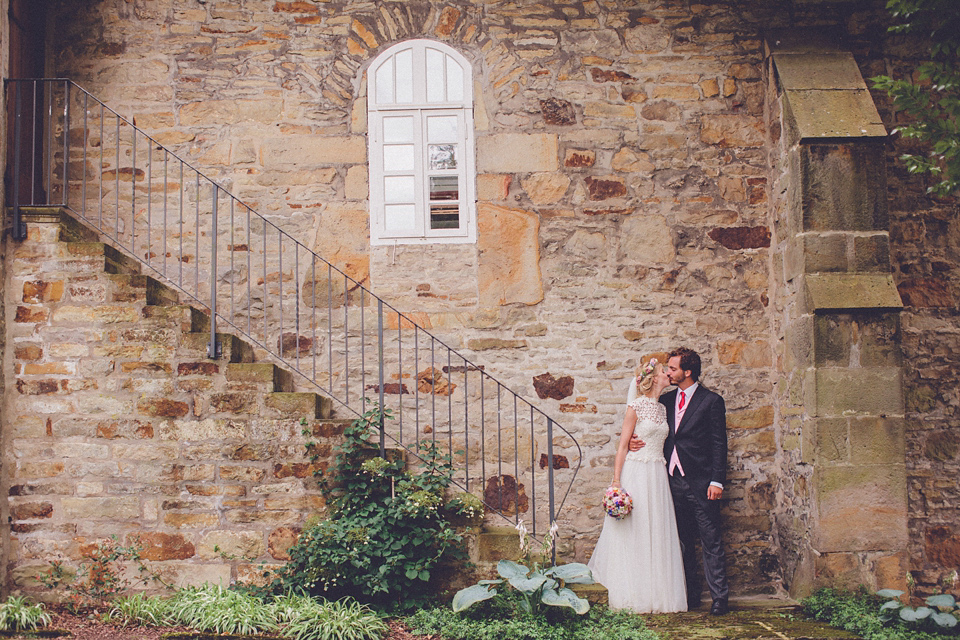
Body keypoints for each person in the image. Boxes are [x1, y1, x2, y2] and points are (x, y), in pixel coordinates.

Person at [632, 347, 730, 615]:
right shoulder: (666, 400)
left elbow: (719, 444)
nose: (669, 372)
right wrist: (632, 440)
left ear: (688, 372)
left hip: (701, 482)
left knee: (711, 541)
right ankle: (691, 595)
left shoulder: (711, 401)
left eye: (673, 368)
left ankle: (720, 598)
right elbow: (651, 430)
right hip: (671, 482)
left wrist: (716, 481)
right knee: (682, 541)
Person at [587, 359, 687, 613]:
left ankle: (655, 593)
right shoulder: (636, 406)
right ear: (654, 378)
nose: (668, 375)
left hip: (657, 473)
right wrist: (617, 482)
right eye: (665, 372)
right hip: (636, 471)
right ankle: (628, 591)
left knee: (655, 529)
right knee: (634, 529)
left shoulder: (663, 408)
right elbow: (622, 446)